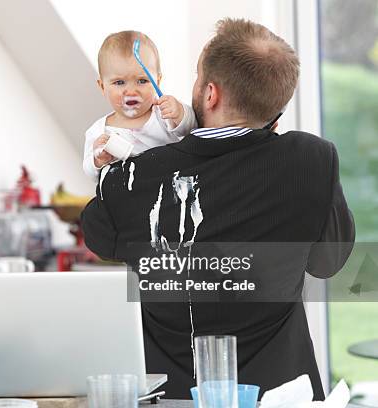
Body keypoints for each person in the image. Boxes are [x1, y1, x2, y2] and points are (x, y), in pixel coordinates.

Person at [81, 18, 355, 399]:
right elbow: (328, 262)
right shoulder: (312, 159)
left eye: (196, 78)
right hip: (279, 395)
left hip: (173, 396)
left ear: (210, 94)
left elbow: (99, 236)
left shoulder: (134, 175)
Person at [83, 31, 197, 179]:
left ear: (157, 81)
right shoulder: (99, 131)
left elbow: (192, 128)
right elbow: (91, 174)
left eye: (142, 81)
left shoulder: (163, 114)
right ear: (103, 87)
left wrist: (180, 113)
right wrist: (97, 160)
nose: (131, 91)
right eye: (119, 82)